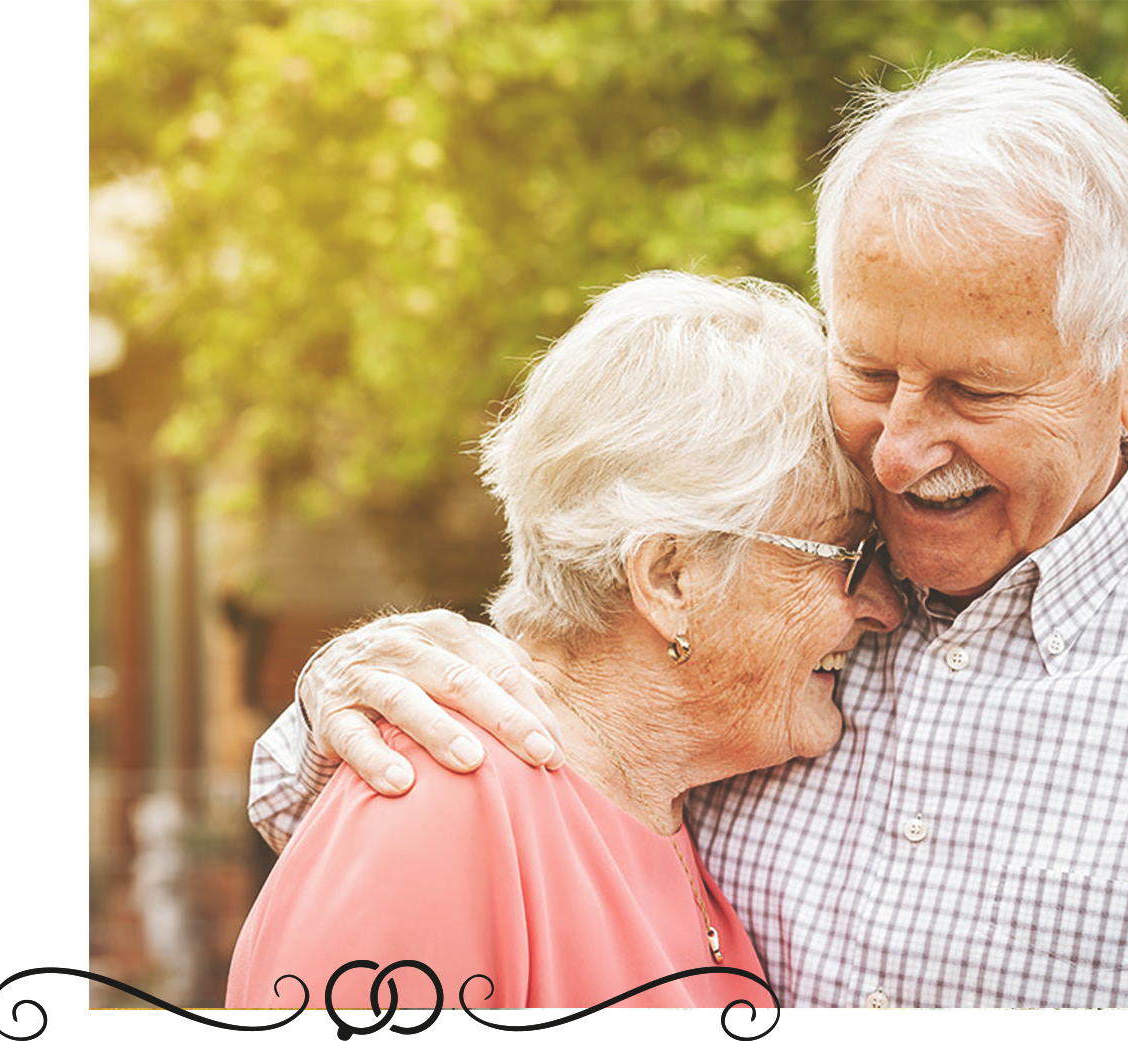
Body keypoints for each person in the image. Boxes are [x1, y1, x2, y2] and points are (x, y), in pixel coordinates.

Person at [249, 55, 1128, 1006]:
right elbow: (503, 753)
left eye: (972, 390)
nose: (899, 454)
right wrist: (341, 702)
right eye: (869, 373)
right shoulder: (725, 602)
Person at [227, 271, 903, 1008]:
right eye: (850, 551)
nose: (883, 605)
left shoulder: (677, 816)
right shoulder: (444, 800)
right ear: (670, 577)